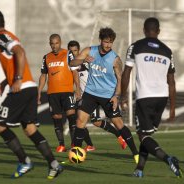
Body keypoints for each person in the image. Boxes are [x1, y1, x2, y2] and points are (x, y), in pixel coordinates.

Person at [0, 8, 63, 179]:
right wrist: (5, 83)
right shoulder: (10, 35)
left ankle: (24, 161)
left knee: (0, 126)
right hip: (29, 88)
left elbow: (20, 52)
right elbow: (15, 60)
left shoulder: (2, 37)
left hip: (21, 88)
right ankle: (54, 164)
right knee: (29, 129)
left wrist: (18, 80)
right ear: (2, 21)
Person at [121, 17, 183, 178]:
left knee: (142, 135)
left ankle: (168, 159)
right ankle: (139, 170)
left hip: (145, 97)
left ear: (144, 30)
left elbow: (126, 72)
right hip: (161, 97)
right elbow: (172, 82)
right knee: (146, 134)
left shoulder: (136, 46)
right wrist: (173, 108)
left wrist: (122, 96)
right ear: (159, 31)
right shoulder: (167, 51)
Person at [69, 28, 139, 163]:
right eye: (106, 42)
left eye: (110, 42)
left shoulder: (115, 59)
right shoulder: (89, 51)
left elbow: (120, 80)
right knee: (80, 121)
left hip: (107, 95)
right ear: (100, 40)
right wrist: (83, 61)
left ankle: (135, 153)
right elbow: (72, 63)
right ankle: (76, 153)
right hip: (90, 93)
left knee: (118, 124)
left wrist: (116, 96)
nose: (108, 45)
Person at [68, 40, 127, 151]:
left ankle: (119, 135)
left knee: (95, 121)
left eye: (76, 50)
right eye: (71, 51)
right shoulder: (73, 65)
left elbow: (100, 71)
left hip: (93, 94)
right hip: (84, 96)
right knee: (81, 121)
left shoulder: (88, 61)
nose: (74, 53)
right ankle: (88, 145)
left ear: (79, 50)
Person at [37, 34, 81, 153]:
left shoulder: (68, 54)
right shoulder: (46, 57)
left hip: (67, 91)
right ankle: (61, 145)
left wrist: (77, 88)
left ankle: (74, 145)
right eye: (52, 43)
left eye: (56, 43)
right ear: (49, 43)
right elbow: (43, 75)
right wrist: (39, 92)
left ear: (60, 43)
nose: (54, 46)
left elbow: (75, 72)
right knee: (57, 118)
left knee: (71, 116)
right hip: (53, 93)